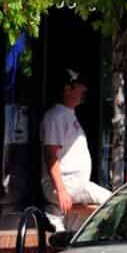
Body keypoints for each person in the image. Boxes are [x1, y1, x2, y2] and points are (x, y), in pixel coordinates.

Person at [40, 71, 112, 229]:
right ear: (67, 89)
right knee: (112, 203)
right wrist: (61, 191)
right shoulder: (56, 116)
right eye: (80, 86)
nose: (84, 89)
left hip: (74, 185)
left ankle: (60, 212)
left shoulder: (67, 114)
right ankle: (58, 208)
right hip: (66, 184)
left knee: (72, 235)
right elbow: (50, 156)